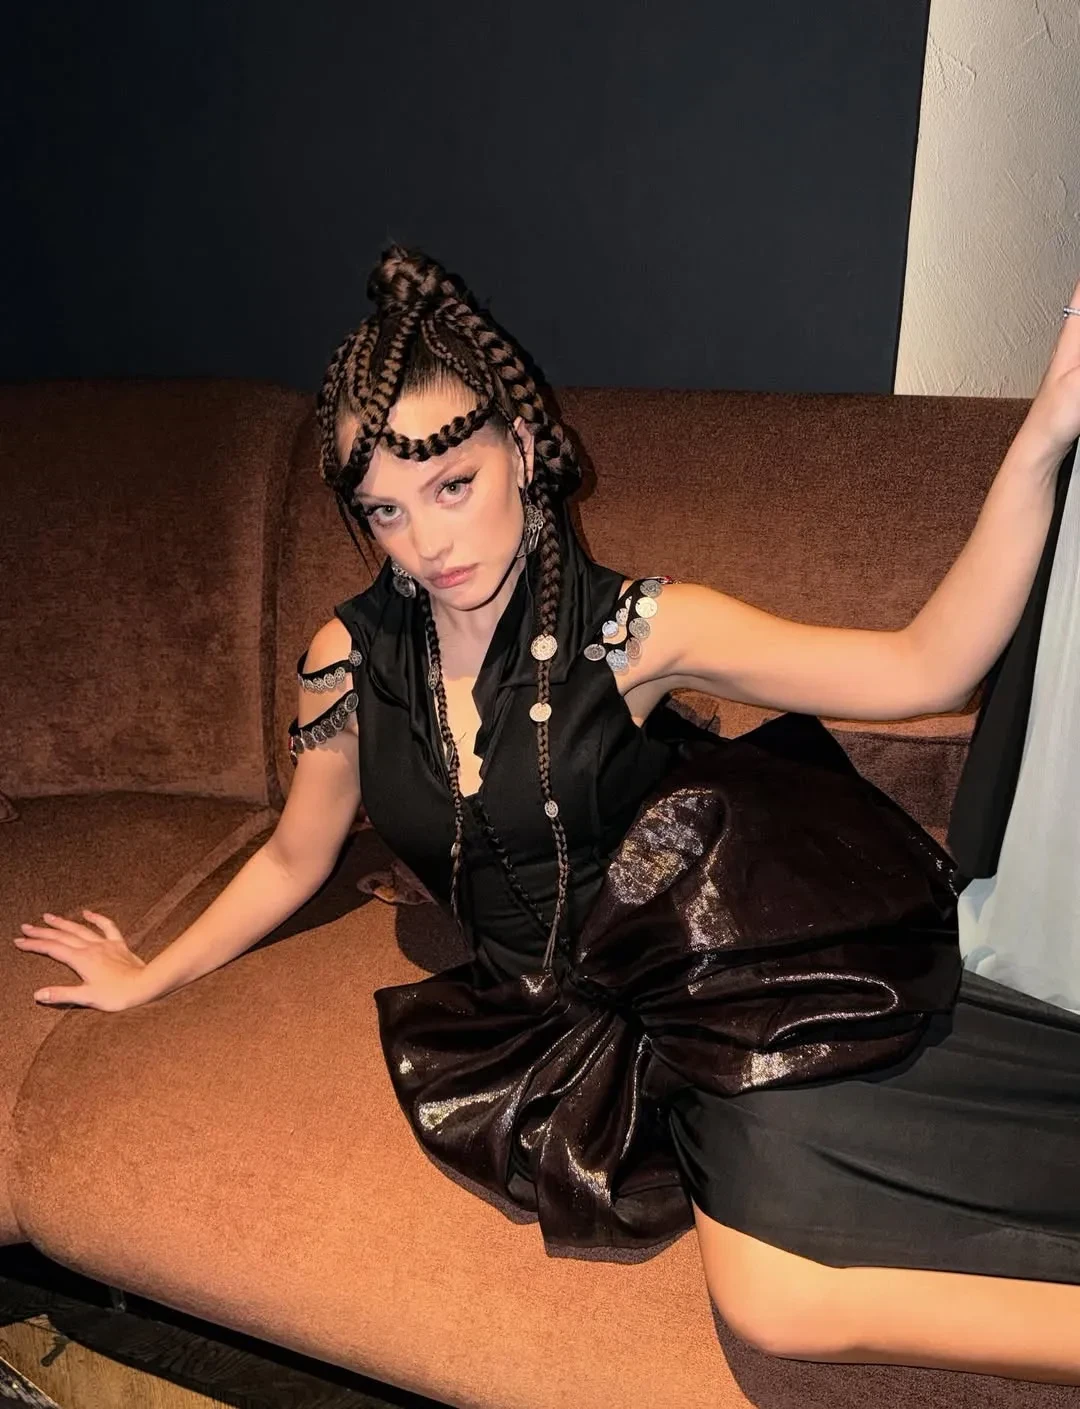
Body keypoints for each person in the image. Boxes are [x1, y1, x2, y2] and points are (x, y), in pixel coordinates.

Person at [15, 247, 1080, 1385]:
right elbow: (294, 853)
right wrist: (148, 972)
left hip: (716, 949)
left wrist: (1043, 436)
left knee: (780, 1294)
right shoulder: (349, 661)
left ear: (521, 450)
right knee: (806, 1266)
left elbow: (927, 665)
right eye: (385, 510)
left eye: (453, 484)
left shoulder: (635, 630)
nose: (428, 543)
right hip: (573, 1009)